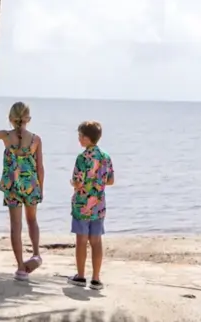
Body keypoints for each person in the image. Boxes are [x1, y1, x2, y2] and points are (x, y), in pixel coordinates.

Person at [0, 102, 43, 280]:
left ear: (10, 119)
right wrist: (41, 187)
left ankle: (20, 268)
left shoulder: (6, 135)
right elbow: (40, 167)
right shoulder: (35, 139)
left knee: (15, 226)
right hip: (31, 184)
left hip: (12, 185)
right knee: (32, 220)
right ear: (28, 119)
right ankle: (36, 254)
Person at [69, 119, 115, 290]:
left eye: (81, 136)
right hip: (99, 204)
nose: (79, 139)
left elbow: (78, 182)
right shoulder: (105, 157)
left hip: (82, 204)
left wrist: (73, 183)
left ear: (87, 139)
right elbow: (110, 180)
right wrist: (98, 182)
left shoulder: (82, 158)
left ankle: (81, 276)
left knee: (81, 241)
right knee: (96, 241)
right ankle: (96, 278)